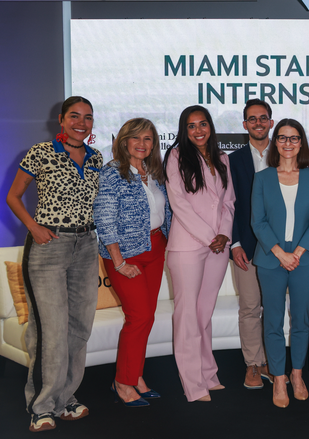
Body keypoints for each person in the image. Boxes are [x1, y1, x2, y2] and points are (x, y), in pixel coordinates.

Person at [6, 96, 102, 432]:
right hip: (49, 248)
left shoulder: (96, 157)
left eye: (88, 117)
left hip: (86, 246)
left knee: (79, 327)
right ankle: (41, 405)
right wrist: (34, 226)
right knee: (50, 331)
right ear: (61, 120)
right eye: (74, 116)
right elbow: (13, 196)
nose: (81, 122)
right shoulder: (40, 152)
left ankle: (65, 398)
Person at [93, 118, 171, 407]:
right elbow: (103, 218)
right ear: (124, 141)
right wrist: (118, 261)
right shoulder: (112, 173)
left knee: (146, 318)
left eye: (148, 139)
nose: (142, 144)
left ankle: (135, 375)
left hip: (155, 248)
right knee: (138, 317)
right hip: (125, 254)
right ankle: (123, 382)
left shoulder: (154, 172)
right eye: (136, 138)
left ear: (154, 144)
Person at [164, 105, 235, 403]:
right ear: (184, 130)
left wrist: (224, 235)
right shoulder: (176, 157)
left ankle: (208, 374)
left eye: (202, 124)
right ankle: (193, 385)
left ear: (210, 126)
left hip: (218, 246)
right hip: (188, 246)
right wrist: (210, 237)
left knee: (203, 313)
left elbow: (229, 201)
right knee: (187, 316)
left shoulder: (222, 158)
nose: (198, 130)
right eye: (191, 126)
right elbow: (178, 203)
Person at [251, 119, 309, 408]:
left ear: (301, 143)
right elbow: (257, 220)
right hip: (271, 259)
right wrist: (281, 253)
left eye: (294, 138)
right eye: (282, 138)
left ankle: (297, 374)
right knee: (272, 320)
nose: (288, 143)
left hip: (304, 259)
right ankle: (278, 377)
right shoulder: (263, 178)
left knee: (301, 318)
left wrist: (298, 253)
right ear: (275, 142)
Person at [229, 99, 274, 389]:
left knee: (273, 308)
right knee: (249, 307)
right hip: (245, 245)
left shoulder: (286, 155)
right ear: (244, 125)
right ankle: (254, 365)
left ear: (271, 122)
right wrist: (234, 243)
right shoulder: (231, 161)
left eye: (263, 118)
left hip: (278, 248)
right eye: (252, 119)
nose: (258, 123)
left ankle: (274, 362)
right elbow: (227, 205)